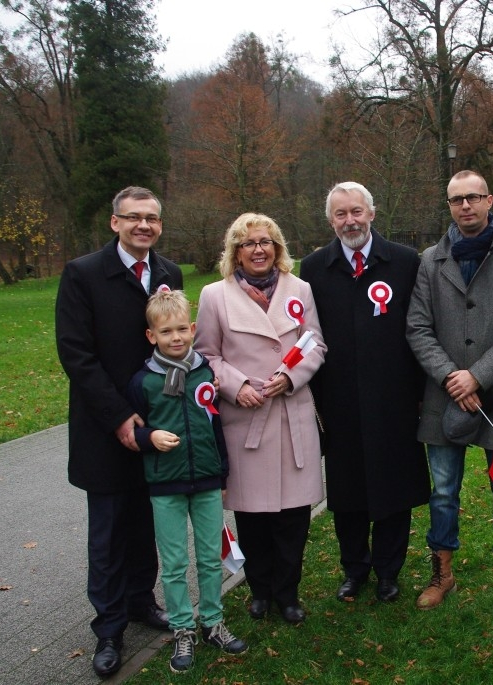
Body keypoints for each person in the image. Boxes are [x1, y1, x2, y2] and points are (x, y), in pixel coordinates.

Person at [56, 186, 181, 678]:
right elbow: (76, 355)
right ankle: (108, 628)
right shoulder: (83, 274)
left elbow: (174, 346)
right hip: (104, 428)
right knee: (108, 533)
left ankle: (139, 602)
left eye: (151, 218)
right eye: (133, 218)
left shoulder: (167, 274)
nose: (143, 226)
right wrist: (118, 416)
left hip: (156, 427)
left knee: (146, 523)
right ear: (115, 223)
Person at [406, 170, 493, 612]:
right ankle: (442, 571)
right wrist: (451, 377)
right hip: (444, 396)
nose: (465, 206)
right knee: (443, 491)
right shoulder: (431, 260)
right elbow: (418, 327)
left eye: (473, 198)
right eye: (456, 200)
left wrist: (477, 376)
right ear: (449, 205)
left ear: (489, 200)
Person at [300, 182, 430, 604]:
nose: (350, 220)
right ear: (330, 220)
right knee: (348, 491)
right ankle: (354, 569)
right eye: (341, 214)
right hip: (339, 400)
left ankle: (389, 570)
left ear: (372, 213)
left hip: (394, 398)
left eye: (357, 211)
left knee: (394, 488)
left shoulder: (406, 262)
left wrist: (421, 391)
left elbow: (421, 329)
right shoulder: (315, 267)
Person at [195, 212, 326, 626]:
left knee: (292, 517)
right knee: (252, 516)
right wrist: (236, 386)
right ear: (235, 252)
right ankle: (260, 590)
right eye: (248, 243)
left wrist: (290, 377)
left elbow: (315, 344)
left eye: (265, 242)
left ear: (277, 248)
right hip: (246, 418)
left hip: (292, 416)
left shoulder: (299, 288)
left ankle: (288, 594)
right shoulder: (214, 296)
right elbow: (206, 356)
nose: (258, 249)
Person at [126, 290, 247, 673]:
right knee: (176, 562)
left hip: (208, 480)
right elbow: (135, 431)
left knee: (211, 557)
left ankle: (213, 621)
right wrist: (150, 439)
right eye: (166, 332)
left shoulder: (205, 371)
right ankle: (182, 627)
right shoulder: (143, 382)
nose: (176, 338)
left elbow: (215, 424)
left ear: (192, 329)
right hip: (166, 486)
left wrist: (223, 472)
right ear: (152, 336)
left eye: (182, 329)